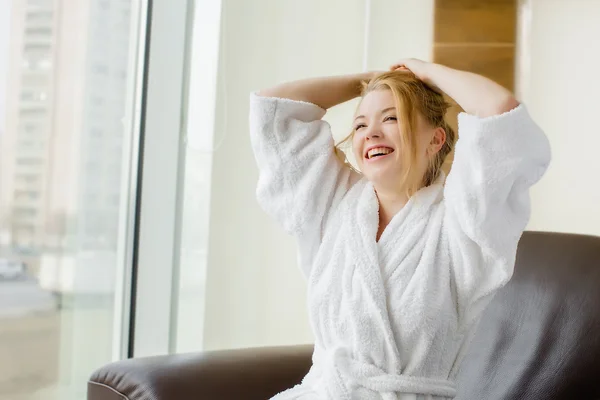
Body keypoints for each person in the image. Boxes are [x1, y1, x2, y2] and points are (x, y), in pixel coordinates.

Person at [249, 58, 551, 400]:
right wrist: (370, 80)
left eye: (391, 118)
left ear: (436, 139)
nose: (371, 133)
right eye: (361, 124)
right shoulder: (332, 202)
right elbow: (274, 111)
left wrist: (425, 71)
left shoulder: (463, 223)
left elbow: (500, 113)